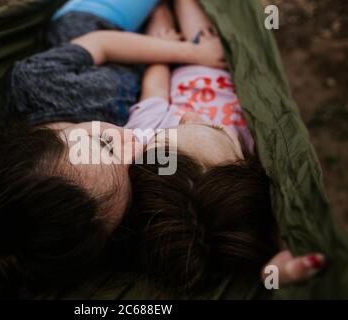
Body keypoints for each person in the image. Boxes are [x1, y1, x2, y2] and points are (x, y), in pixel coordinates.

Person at [0, 0, 227, 292]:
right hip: (149, 70)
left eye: (105, 144)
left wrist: (189, 52)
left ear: (42, 136)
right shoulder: (98, 220)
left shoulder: (36, 84)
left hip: (100, 24)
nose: (133, 144)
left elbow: (102, 44)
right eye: (127, 170)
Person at [124, 0, 325, 292]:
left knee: (170, 14)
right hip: (232, 66)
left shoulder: (146, 138)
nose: (189, 114)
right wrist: (274, 267)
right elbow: (277, 222)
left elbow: (154, 86)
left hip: (190, 59)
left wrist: (166, 48)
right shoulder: (255, 150)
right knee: (182, 18)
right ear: (243, 165)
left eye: (177, 125)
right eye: (215, 128)